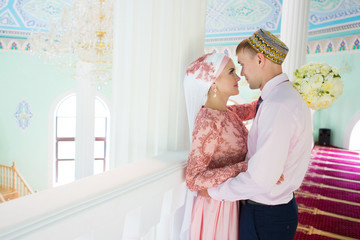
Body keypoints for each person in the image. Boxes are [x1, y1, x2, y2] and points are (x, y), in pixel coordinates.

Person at [202, 29, 313, 240]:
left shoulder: (278, 104)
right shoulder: (283, 97)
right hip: (274, 209)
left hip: (265, 214)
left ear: (260, 60)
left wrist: (213, 192)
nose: (242, 73)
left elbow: (260, 180)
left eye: (242, 64)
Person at [183, 52, 258, 239]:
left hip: (229, 200)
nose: (238, 76)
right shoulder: (208, 120)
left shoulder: (228, 112)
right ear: (212, 81)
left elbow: (253, 108)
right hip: (214, 209)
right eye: (231, 71)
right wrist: (247, 167)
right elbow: (194, 179)